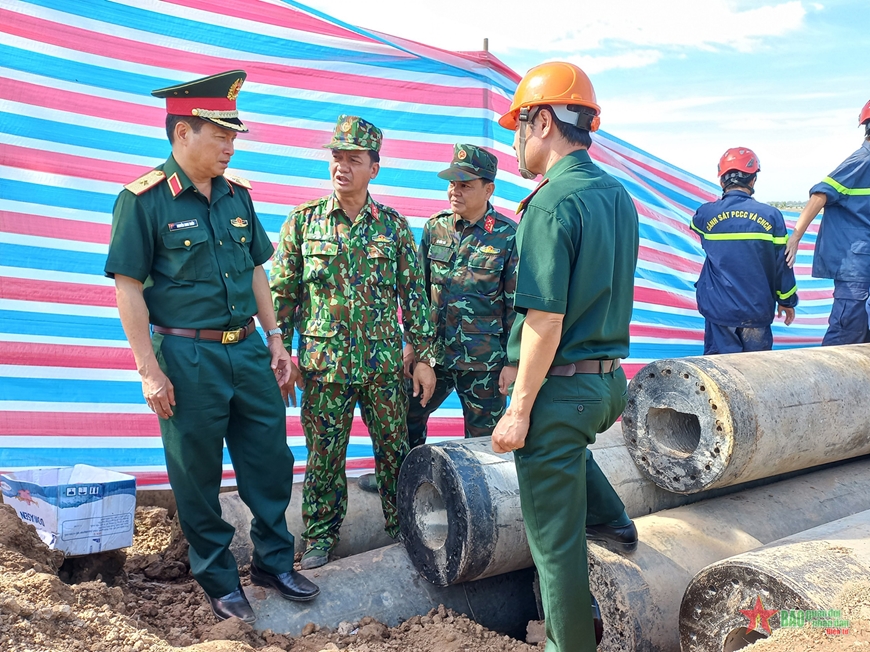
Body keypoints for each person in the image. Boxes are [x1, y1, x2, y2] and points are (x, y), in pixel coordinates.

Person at [105, 70, 319, 624]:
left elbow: (255, 273)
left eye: (233, 135)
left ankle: (274, 561)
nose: (229, 145)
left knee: (271, 460)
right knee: (196, 476)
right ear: (181, 135)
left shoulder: (238, 195)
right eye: (218, 134)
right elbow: (128, 290)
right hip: (186, 356)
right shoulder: (143, 201)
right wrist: (149, 371)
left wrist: (276, 339)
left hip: (247, 349)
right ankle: (219, 579)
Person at [492, 61, 640, 651]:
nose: (514, 142)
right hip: (606, 387)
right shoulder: (617, 195)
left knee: (554, 551)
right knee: (570, 451)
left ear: (545, 121)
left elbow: (545, 320)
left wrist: (519, 409)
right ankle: (613, 518)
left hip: (562, 390)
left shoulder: (550, 204)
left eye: (519, 127)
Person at [270, 115, 438, 569]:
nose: (342, 167)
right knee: (324, 457)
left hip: (384, 366)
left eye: (354, 160)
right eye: (336, 158)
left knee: (394, 454)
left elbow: (415, 298)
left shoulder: (394, 228)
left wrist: (422, 357)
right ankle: (320, 537)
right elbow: (281, 296)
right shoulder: (303, 224)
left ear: (374, 168)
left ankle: (404, 528)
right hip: (323, 368)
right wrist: (281, 352)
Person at [400, 144, 517, 450]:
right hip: (433, 355)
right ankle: (404, 479)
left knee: (483, 442)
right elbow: (419, 294)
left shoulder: (508, 236)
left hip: (484, 363)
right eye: (452, 184)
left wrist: (513, 362)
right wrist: (412, 344)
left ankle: (478, 497)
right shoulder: (435, 228)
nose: (455, 191)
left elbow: (516, 308)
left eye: (465, 185)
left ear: (488, 189)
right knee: (403, 415)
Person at [691, 147, 798, 354]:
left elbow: (696, 225)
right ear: (753, 180)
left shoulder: (705, 214)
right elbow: (782, 264)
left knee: (720, 374)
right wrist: (786, 301)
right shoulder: (772, 216)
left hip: (718, 310)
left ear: (722, 181)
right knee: (757, 374)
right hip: (756, 311)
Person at [785, 100, 870, 344]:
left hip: (863, 267)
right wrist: (796, 236)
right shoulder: (861, 162)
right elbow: (820, 195)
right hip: (856, 270)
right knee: (846, 337)